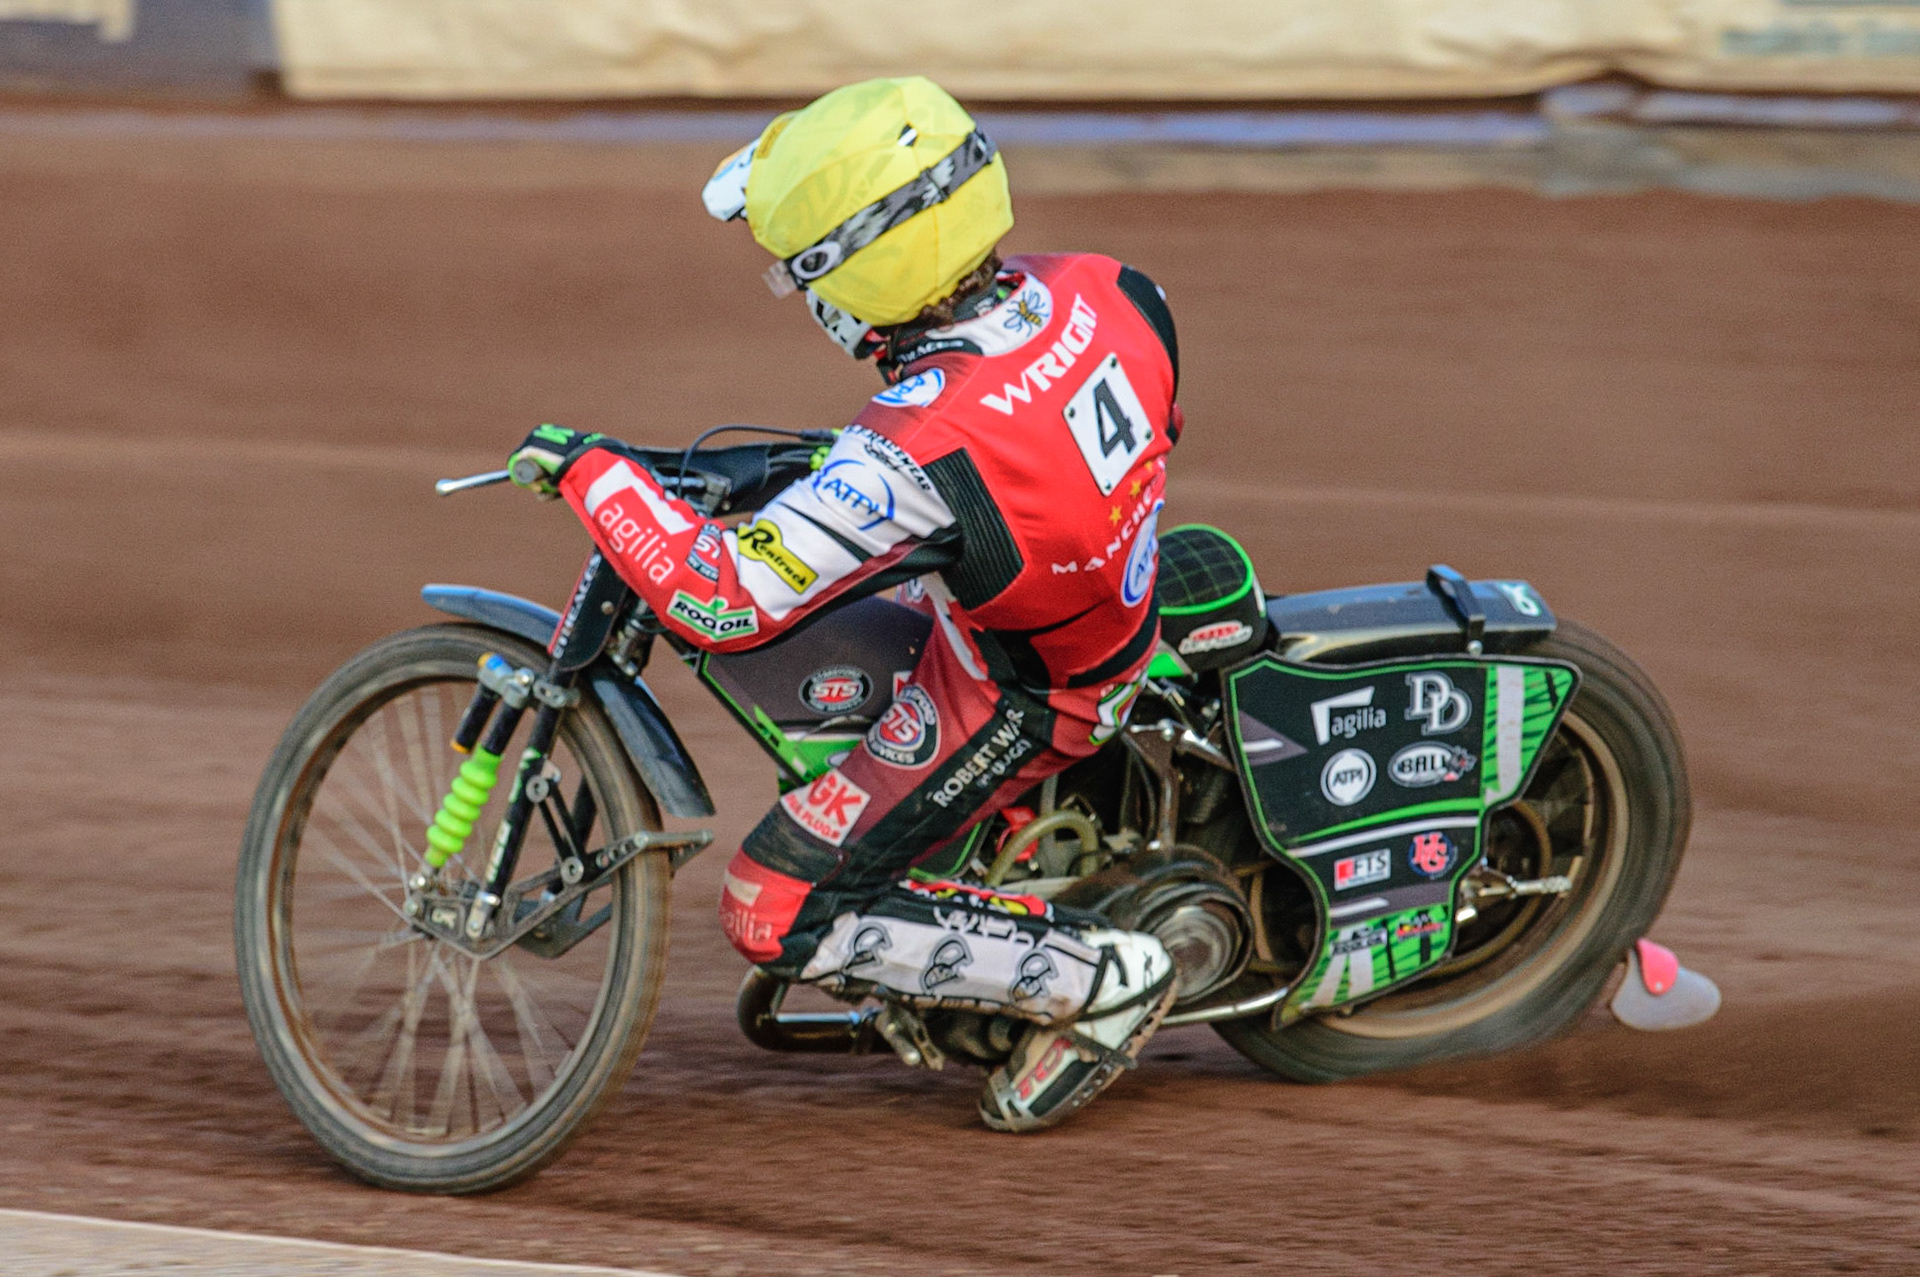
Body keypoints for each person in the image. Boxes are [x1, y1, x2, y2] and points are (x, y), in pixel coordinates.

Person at [508, 76, 1184, 1131]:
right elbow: (1022, 435)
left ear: (857, 266)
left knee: (767, 904)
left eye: (798, 265)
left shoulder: (916, 447)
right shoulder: (1112, 286)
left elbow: (722, 603)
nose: (797, 287)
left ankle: (1101, 980)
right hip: (1098, 588)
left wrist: (595, 472)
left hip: (1023, 691)